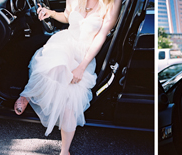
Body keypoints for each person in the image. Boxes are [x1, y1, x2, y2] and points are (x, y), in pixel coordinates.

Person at [12, 0, 120, 154]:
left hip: (84, 55)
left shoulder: (112, 3)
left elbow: (101, 36)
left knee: (71, 100)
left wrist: (81, 67)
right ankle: (27, 94)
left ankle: (64, 151)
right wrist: (51, 13)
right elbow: (67, 16)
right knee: (54, 63)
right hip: (65, 42)